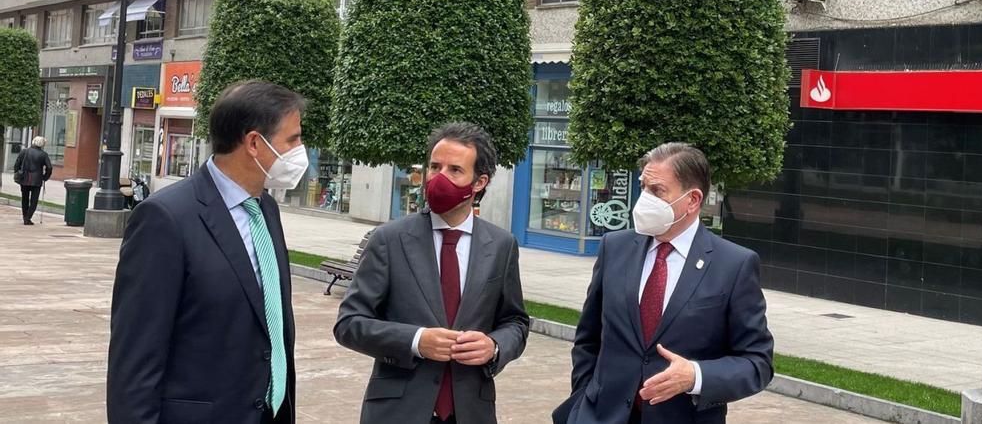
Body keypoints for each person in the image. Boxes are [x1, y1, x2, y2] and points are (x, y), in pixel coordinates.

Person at [108, 81, 307, 424]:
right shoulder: (166, 219)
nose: (300, 149)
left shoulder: (266, 210)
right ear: (255, 144)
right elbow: (136, 358)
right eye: (293, 139)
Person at [553, 143, 774, 424]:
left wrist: (696, 376)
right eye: (643, 186)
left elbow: (757, 363)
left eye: (657, 191)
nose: (644, 198)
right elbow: (589, 338)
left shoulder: (734, 265)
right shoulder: (615, 247)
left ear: (692, 200)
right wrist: (583, 401)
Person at [335, 122, 529, 424]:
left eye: (454, 170)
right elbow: (349, 323)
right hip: (398, 411)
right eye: (434, 167)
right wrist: (415, 340)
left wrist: (495, 346)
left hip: (470, 411)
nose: (439, 178)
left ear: (479, 182)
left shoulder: (502, 245)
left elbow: (515, 321)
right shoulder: (390, 239)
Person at [12, 136, 52, 225]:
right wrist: (45, 177)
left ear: (33, 142)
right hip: (37, 179)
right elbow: (49, 167)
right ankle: (28, 218)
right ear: (42, 144)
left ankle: (25, 217)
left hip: (24, 178)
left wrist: (17, 172)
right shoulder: (43, 154)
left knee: (24, 199)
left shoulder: (24, 151)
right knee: (34, 201)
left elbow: (16, 164)